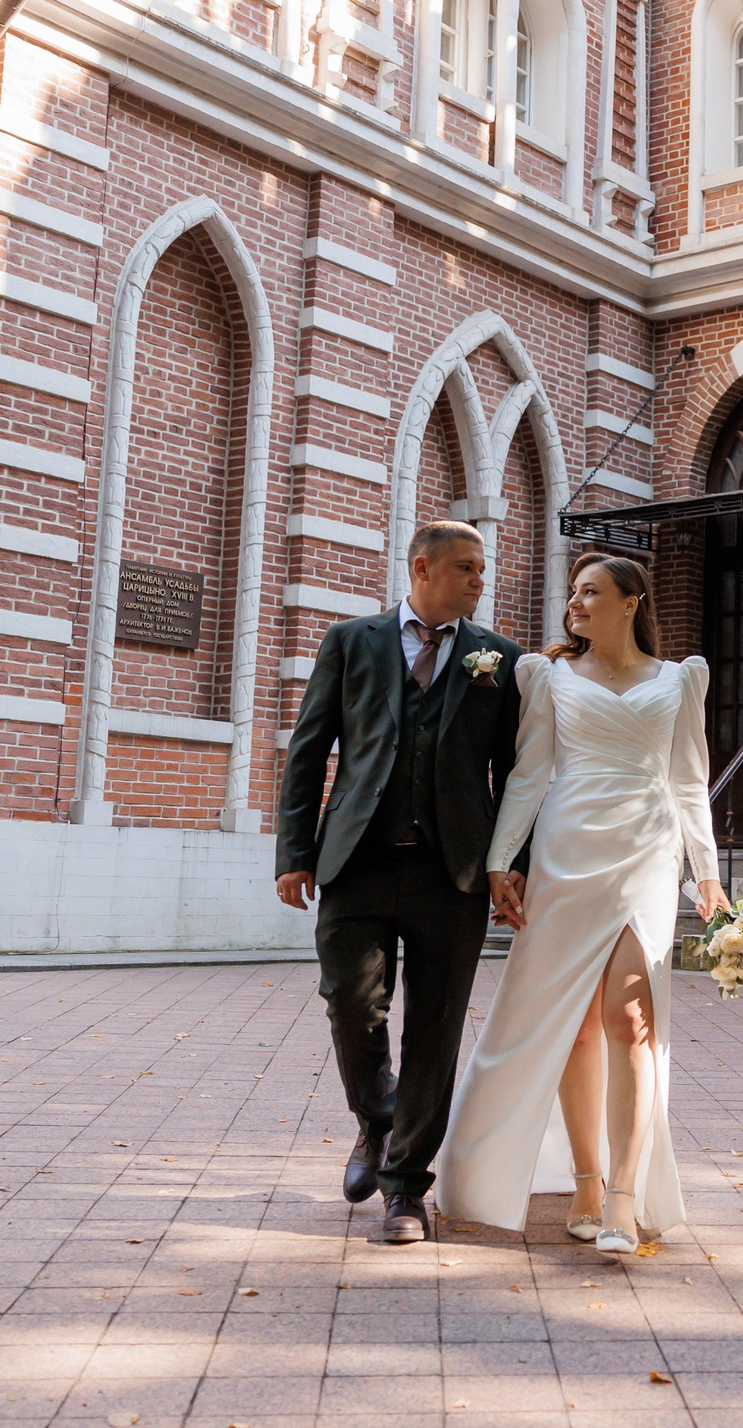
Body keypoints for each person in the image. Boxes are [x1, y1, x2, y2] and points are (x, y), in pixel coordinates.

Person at [435, 555, 730, 1254]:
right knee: (574, 1027)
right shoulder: (548, 675)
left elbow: (690, 781)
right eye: (573, 592)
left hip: (646, 857)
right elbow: (531, 772)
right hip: (568, 855)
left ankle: (626, 1195)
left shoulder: (682, 677)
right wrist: (503, 859)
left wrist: (707, 872)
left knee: (629, 1018)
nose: (576, 602)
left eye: (591, 591)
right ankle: (588, 1179)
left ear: (632, 601)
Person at [274, 520, 524, 1244]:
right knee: (351, 1005)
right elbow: (309, 747)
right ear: (423, 567)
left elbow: (515, 774)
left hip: (455, 872)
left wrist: (513, 865)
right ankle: (376, 1122)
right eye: (468, 568)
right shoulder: (350, 641)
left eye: (483, 569)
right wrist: (296, 850)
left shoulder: (497, 658)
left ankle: (407, 1190)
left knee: (437, 1029)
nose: (481, 580)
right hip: (355, 861)